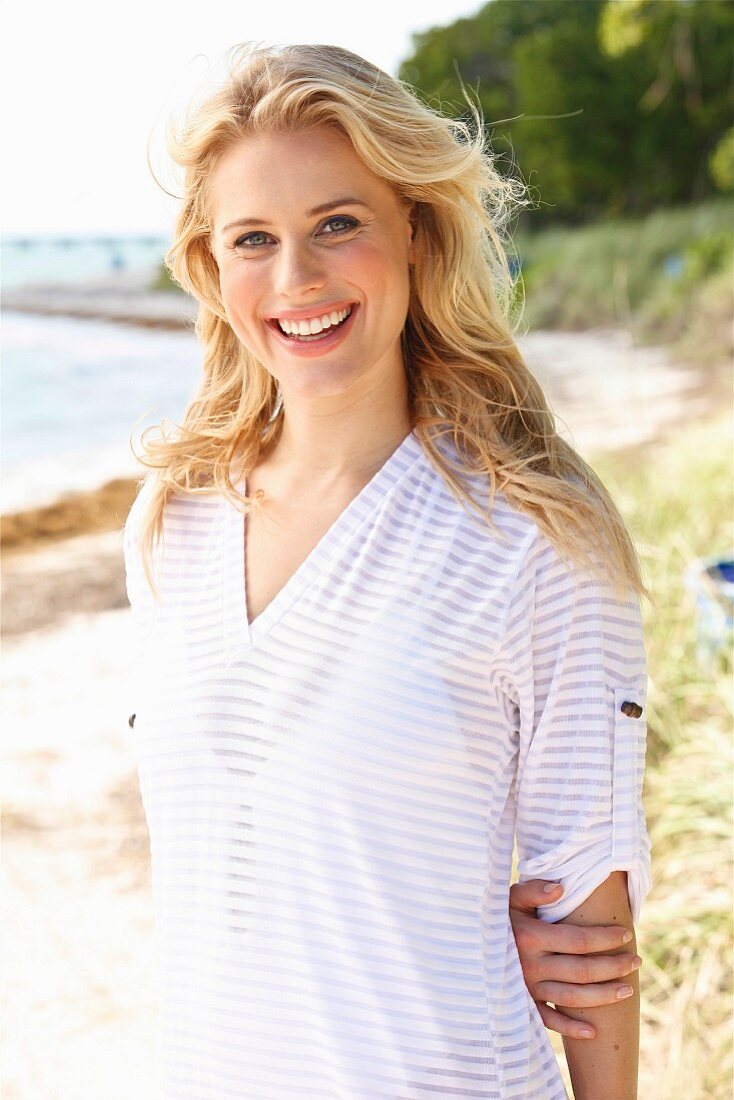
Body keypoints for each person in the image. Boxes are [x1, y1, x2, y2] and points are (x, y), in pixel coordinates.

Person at [124, 42, 651, 1099]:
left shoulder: (532, 534)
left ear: (412, 227)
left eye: (336, 224)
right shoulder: (170, 519)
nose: (296, 280)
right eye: (253, 240)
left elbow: (588, 929)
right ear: (211, 267)